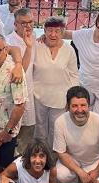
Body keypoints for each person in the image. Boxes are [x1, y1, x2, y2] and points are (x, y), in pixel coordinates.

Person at [0, 34, 27, 171]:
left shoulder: (14, 70)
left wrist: (8, 131)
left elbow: (20, 106)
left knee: (4, 171)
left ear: (5, 49)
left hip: (5, 133)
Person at [33, 16, 79, 146]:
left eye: (57, 31)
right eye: (49, 30)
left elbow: (74, 75)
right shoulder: (37, 46)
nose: (53, 34)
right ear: (44, 31)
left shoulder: (69, 50)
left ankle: (53, 153)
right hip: (38, 95)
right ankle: (39, 151)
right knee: (39, 126)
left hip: (60, 97)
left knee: (56, 127)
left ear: (63, 32)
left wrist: (72, 98)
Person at [6, 8, 36, 151]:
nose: (28, 26)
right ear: (15, 24)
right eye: (23, 23)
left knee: (27, 136)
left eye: (30, 22)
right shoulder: (8, 42)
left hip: (30, 93)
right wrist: (29, 47)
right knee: (12, 136)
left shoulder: (35, 37)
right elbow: (20, 72)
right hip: (14, 97)